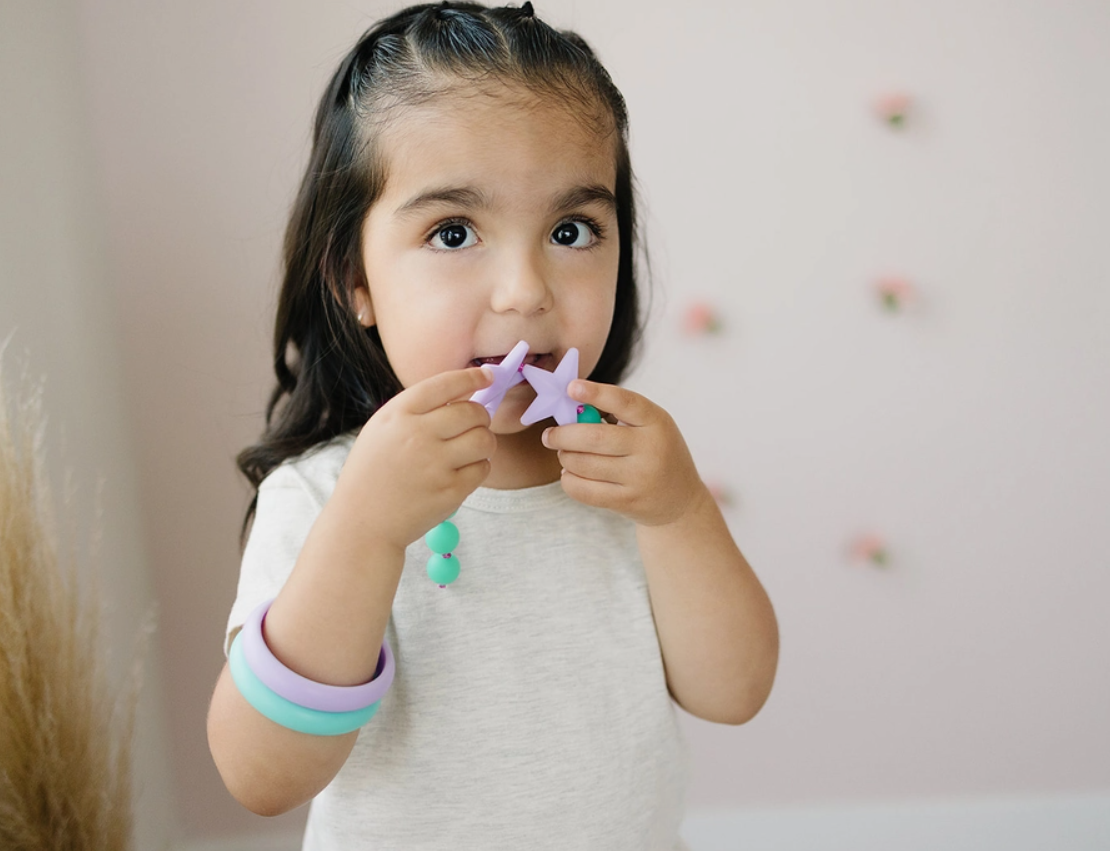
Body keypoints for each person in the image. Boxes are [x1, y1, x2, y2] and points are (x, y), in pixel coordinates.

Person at [207, 3, 779, 848]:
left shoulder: (631, 478)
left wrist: (679, 511)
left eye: (571, 230)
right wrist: (364, 530)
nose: (525, 289)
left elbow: (733, 693)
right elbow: (261, 777)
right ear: (354, 280)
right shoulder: (324, 495)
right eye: (452, 231)